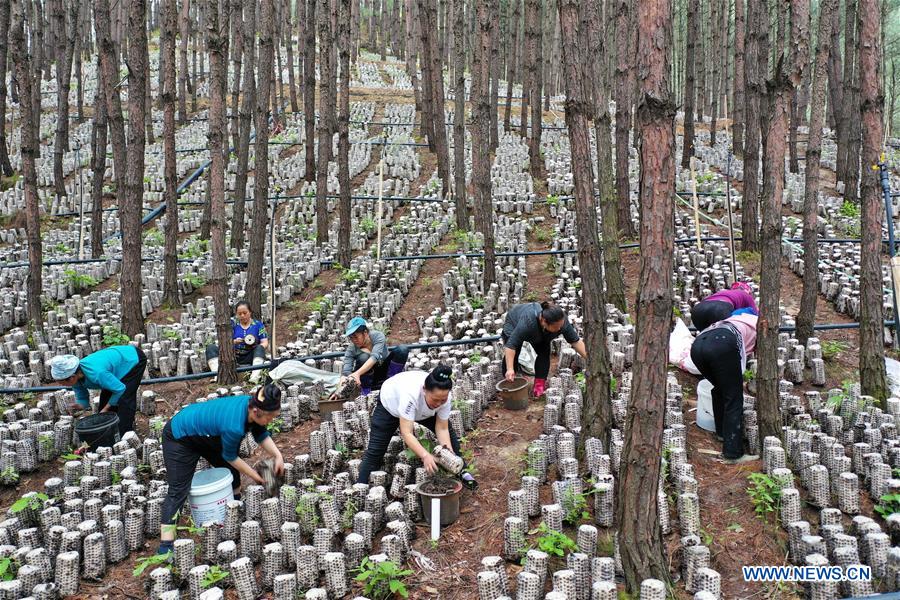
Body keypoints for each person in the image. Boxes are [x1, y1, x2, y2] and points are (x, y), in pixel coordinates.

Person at [157, 384, 284, 555]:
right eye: (270, 417)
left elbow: (260, 433)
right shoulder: (234, 426)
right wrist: (257, 477)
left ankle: (235, 511)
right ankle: (165, 546)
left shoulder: (252, 408)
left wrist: (278, 456)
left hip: (207, 433)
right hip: (180, 436)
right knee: (178, 489)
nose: (271, 421)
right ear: (255, 411)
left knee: (232, 474)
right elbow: (231, 457)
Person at [357, 365, 477, 489]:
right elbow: (407, 433)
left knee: (451, 439)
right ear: (424, 389)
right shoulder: (410, 395)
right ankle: (360, 486)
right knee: (375, 451)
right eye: (435, 399)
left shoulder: (443, 399)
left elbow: (442, 428)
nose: (438, 404)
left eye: (443, 400)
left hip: (424, 410)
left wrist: (449, 454)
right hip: (390, 406)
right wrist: (425, 455)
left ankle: (463, 473)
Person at [689, 312, 759, 464]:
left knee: (720, 388)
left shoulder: (739, 319)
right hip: (721, 343)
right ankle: (733, 453)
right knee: (734, 397)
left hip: (698, 345)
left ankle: (722, 432)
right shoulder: (759, 324)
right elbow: (746, 358)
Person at [49, 345, 148, 436]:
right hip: (115, 362)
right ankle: (109, 431)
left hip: (132, 359)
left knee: (124, 399)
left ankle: (124, 434)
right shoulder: (75, 379)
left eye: (61, 382)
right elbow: (82, 397)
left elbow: (120, 389)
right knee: (105, 399)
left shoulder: (97, 373)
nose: (60, 385)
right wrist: (80, 406)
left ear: (72, 377)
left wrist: (106, 408)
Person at [501, 301, 587, 397]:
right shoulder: (528, 323)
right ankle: (509, 383)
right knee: (515, 352)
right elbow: (511, 346)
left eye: (561, 326)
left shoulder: (562, 322)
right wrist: (510, 369)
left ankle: (539, 385)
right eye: (556, 327)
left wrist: (589, 359)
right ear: (543, 321)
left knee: (544, 352)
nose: (560, 329)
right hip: (514, 322)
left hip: (541, 331)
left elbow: (575, 341)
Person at [340, 316, 408, 395]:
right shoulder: (351, 348)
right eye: (351, 338)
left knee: (402, 349)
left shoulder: (377, 336)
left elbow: (374, 357)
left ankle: (391, 383)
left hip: (384, 370)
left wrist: (357, 373)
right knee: (363, 357)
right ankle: (365, 392)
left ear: (365, 333)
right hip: (367, 378)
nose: (354, 340)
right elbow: (346, 371)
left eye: (356, 337)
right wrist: (340, 389)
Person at [206, 301, 269, 383]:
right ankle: (217, 375)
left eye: (245, 313)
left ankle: (255, 377)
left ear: (250, 312)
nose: (242, 316)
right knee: (211, 348)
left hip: (250, 355)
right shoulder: (232, 324)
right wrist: (233, 342)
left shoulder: (258, 325)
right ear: (236, 314)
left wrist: (256, 346)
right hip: (233, 355)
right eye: (239, 314)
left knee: (260, 347)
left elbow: (265, 342)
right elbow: (223, 342)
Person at [691, 281, 758, 333]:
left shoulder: (724, 293)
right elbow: (756, 315)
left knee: (704, 339)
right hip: (719, 309)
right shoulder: (745, 295)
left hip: (698, 310)